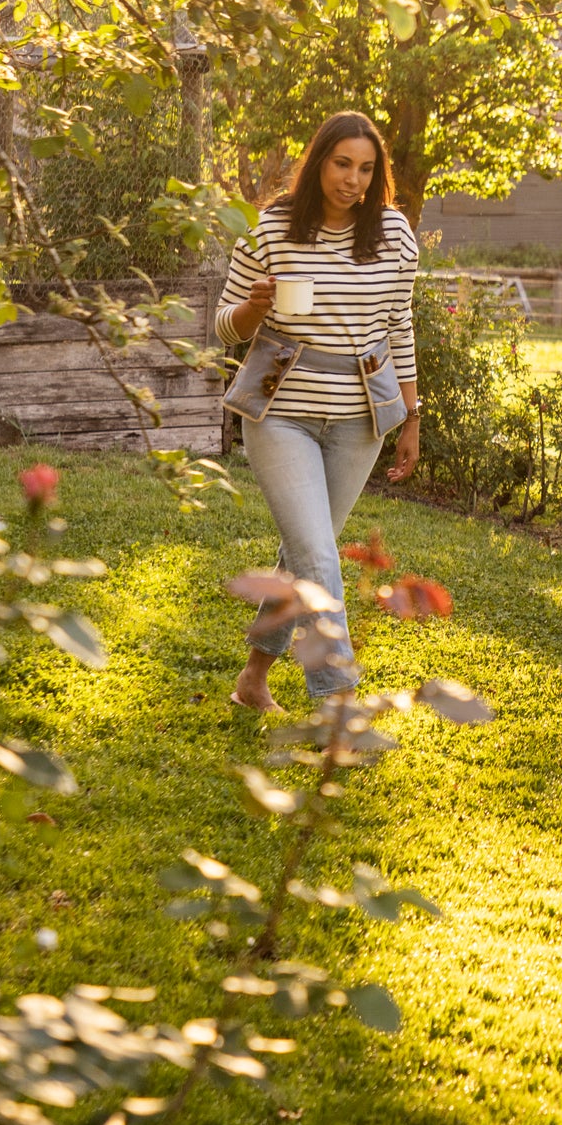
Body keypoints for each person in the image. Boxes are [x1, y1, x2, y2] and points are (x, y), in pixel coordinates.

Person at [217, 111, 420, 712]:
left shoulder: (393, 233)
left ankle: (253, 681)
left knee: (305, 556)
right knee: (318, 555)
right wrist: (254, 309)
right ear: (317, 162)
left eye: (366, 168)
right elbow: (224, 322)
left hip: (362, 419)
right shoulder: (272, 228)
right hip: (280, 412)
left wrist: (412, 416)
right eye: (341, 164)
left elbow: (400, 326)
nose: (353, 180)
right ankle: (339, 698)